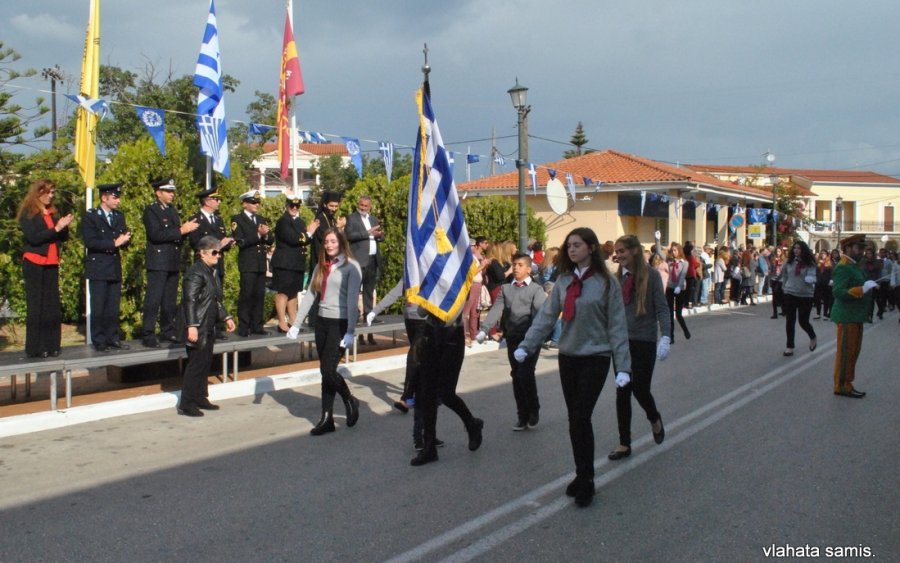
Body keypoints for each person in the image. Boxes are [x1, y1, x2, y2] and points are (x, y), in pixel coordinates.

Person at [515, 227, 632, 508]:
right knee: (574, 419)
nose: (572, 249)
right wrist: (527, 344)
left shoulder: (607, 283)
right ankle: (582, 473)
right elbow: (546, 317)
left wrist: (623, 367)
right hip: (568, 357)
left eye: (577, 245)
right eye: (569, 245)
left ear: (591, 248)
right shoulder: (565, 281)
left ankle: (587, 479)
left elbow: (617, 325)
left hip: (596, 356)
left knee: (581, 416)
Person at [286, 228, 363, 435]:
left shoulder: (351, 266)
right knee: (324, 371)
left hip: (340, 323)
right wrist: (296, 324)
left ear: (341, 243)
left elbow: (351, 300)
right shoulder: (322, 266)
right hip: (321, 322)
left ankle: (350, 400)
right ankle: (326, 417)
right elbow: (311, 295)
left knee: (329, 370)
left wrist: (350, 331)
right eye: (326, 242)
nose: (329, 245)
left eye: (333, 241)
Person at [608, 235, 671, 461]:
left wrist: (665, 336)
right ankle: (624, 442)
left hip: (643, 341)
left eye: (623, 250)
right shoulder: (615, 279)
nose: (619, 255)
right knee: (622, 391)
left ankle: (654, 418)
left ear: (635, 251)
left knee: (640, 389)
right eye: (617, 251)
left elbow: (662, 308)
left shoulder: (652, 276)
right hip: (621, 343)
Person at [476, 253, 546, 430]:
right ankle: (522, 416)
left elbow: (541, 313)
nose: (515, 268)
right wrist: (484, 330)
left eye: (520, 265)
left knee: (525, 373)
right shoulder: (506, 289)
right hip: (513, 337)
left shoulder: (536, 290)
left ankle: (533, 408)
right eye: (514, 264)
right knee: (516, 374)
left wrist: (537, 336)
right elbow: (496, 310)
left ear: (529, 269)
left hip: (530, 338)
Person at [409, 310, 484, 467]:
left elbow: (453, 311)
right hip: (430, 332)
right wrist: (428, 300)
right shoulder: (430, 283)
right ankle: (429, 448)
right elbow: (421, 312)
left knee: (446, 393)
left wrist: (436, 305)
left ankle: (471, 423)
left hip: (452, 334)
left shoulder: (459, 284)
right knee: (427, 392)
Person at [178, 236, 236, 417]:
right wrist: (192, 325)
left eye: (219, 252)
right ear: (202, 253)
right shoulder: (195, 272)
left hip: (209, 324)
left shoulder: (211, 272)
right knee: (196, 365)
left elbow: (215, 299)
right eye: (214, 252)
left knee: (205, 363)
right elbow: (190, 300)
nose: (218, 256)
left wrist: (226, 317)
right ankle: (186, 403)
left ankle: (201, 397)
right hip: (198, 324)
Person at [18, 178, 73, 358]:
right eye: (47, 192)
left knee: (52, 305)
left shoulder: (52, 213)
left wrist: (63, 227)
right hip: (34, 261)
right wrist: (56, 228)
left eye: (52, 193)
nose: (50, 196)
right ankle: (35, 347)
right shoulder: (29, 213)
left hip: (51, 261)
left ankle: (52, 345)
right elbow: (34, 238)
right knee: (37, 305)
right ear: (38, 193)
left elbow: (61, 237)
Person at [142, 179, 198, 348]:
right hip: (158, 261)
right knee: (154, 298)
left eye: (172, 191)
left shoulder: (172, 211)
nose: (171, 194)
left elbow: (176, 235)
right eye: (168, 191)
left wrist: (187, 230)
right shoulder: (151, 210)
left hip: (172, 260)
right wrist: (181, 230)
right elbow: (156, 235)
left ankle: (167, 329)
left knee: (169, 300)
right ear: (158, 192)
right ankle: (148, 332)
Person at [82, 183, 132, 352]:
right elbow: (91, 242)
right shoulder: (91, 216)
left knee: (113, 305)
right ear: (104, 198)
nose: (118, 200)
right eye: (114, 197)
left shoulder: (118, 216)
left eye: (118, 197)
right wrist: (114, 243)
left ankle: (113, 337)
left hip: (113, 266)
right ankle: (99, 339)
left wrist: (126, 240)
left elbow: (123, 236)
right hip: (98, 266)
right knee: (99, 305)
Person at [831, 234, 878, 398]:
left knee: (853, 352)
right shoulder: (843, 267)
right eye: (859, 248)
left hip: (855, 315)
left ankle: (847, 383)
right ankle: (841, 385)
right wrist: (861, 290)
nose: (862, 252)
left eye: (863, 248)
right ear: (848, 248)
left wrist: (867, 287)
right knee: (846, 353)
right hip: (846, 316)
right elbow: (838, 292)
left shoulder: (854, 266)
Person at [187, 185, 234, 340]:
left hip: (217, 263)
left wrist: (226, 244)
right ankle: (203, 326)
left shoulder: (218, 220)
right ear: (207, 201)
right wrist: (219, 244)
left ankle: (217, 326)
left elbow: (221, 243)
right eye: (216, 199)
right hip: (203, 265)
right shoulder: (196, 219)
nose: (219, 202)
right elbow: (195, 242)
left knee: (217, 295)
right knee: (204, 296)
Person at [271, 196, 318, 333]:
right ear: (287, 206)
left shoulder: (299, 221)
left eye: (297, 206)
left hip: (297, 262)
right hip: (285, 262)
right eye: (292, 206)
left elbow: (305, 240)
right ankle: (281, 322)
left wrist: (308, 234)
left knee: (293, 293)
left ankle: (293, 321)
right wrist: (308, 233)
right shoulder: (283, 221)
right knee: (283, 292)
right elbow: (292, 238)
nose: (295, 208)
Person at [232, 190, 274, 336]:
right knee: (246, 295)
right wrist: (258, 235)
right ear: (245, 204)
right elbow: (240, 241)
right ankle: (244, 326)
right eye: (253, 202)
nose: (256, 205)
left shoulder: (261, 219)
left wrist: (266, 234)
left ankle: (257, 325)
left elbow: (270, 239)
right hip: (248, 263)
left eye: (258, 202)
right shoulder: (238, 219)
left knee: (259, 295)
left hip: (260, 263)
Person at [344, 195, 384, 345]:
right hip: (358, 261)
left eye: (366, 206)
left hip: (373, 259)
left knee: (369, 291)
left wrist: (379, 236)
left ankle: (369, 315)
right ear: (357, 204)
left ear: (370, 206)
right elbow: (349, 235)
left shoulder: (373, 219)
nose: (363, 208)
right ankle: (354, 317)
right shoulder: (351, 218)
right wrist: (367, 233)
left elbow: (378, 237)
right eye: (361, 205)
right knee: (355, 291)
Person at [777, 240, 817, 356]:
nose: (796, 250)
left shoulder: (810, 263)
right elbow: (784, 275)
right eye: (794, 248)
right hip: (790, 293)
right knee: (790, 320)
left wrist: (810, 279)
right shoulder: (788, 262)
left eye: (799, 248)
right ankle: (789, 346)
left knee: (803, 321)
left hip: (805, 295)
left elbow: (812, 276)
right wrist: (784, 287)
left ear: (803, 250)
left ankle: (813, 336)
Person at [309, 190, 345, 274]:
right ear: (325, 205)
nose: (334, 209)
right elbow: (325, 237)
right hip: (321, 259)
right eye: (331, 206)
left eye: (336, 206)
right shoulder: (320, 219)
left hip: (331, 259)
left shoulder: (332, 219)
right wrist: (338, 227)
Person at [666, 242, 690, 341]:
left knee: (678, 314)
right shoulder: (670, 261)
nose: (673, 252)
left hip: (680, 289)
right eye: (672, 250)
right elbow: (659, 252)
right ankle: (671, 336)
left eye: (675, 250)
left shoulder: (684, 263)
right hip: (670, 288)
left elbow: (682, 275)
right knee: (670, 313)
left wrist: (679, 287)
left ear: (679, 251)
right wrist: (657, 240)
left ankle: (685, 330)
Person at [813, 250, 834, 319]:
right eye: (821, 253)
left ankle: (825, 314)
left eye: (824, 253)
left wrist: (831, 280)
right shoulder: (818, 262)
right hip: (818, 282)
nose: (823, 255)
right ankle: (818, 313)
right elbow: (815, 271)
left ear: (827, 255)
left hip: (826, 282)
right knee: (817, 298)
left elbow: (831, 272)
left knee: (826, 299)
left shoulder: (829, 262)